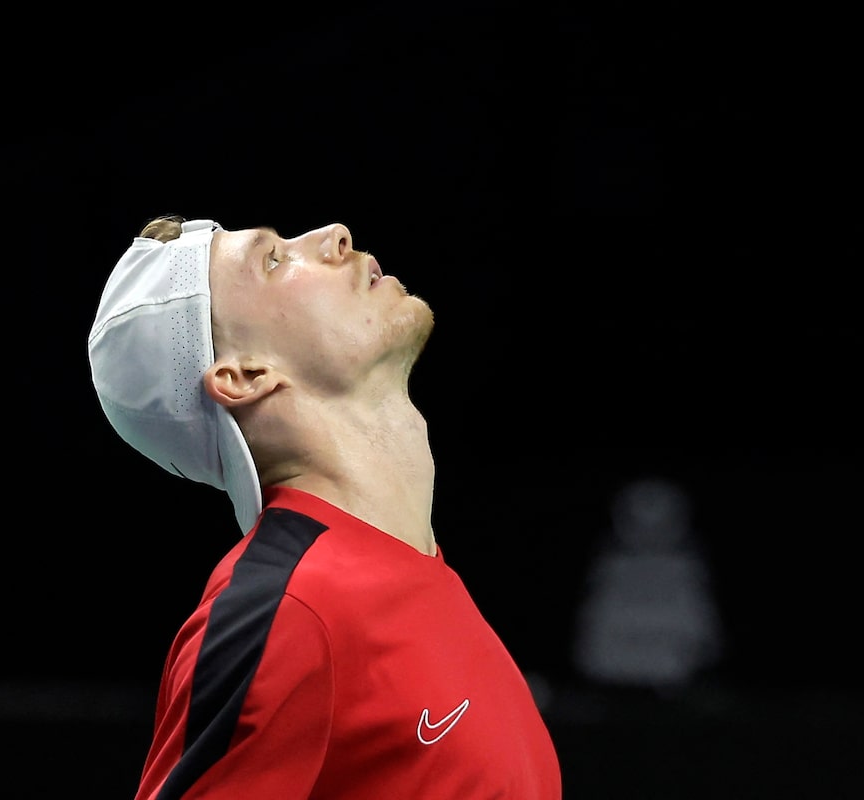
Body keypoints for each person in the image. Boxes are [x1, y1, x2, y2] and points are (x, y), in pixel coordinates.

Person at [88, 215, 562, 799]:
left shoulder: (424, 580)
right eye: (274, 261)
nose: (335, 234)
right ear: (245, 376)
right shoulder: (286, 607)